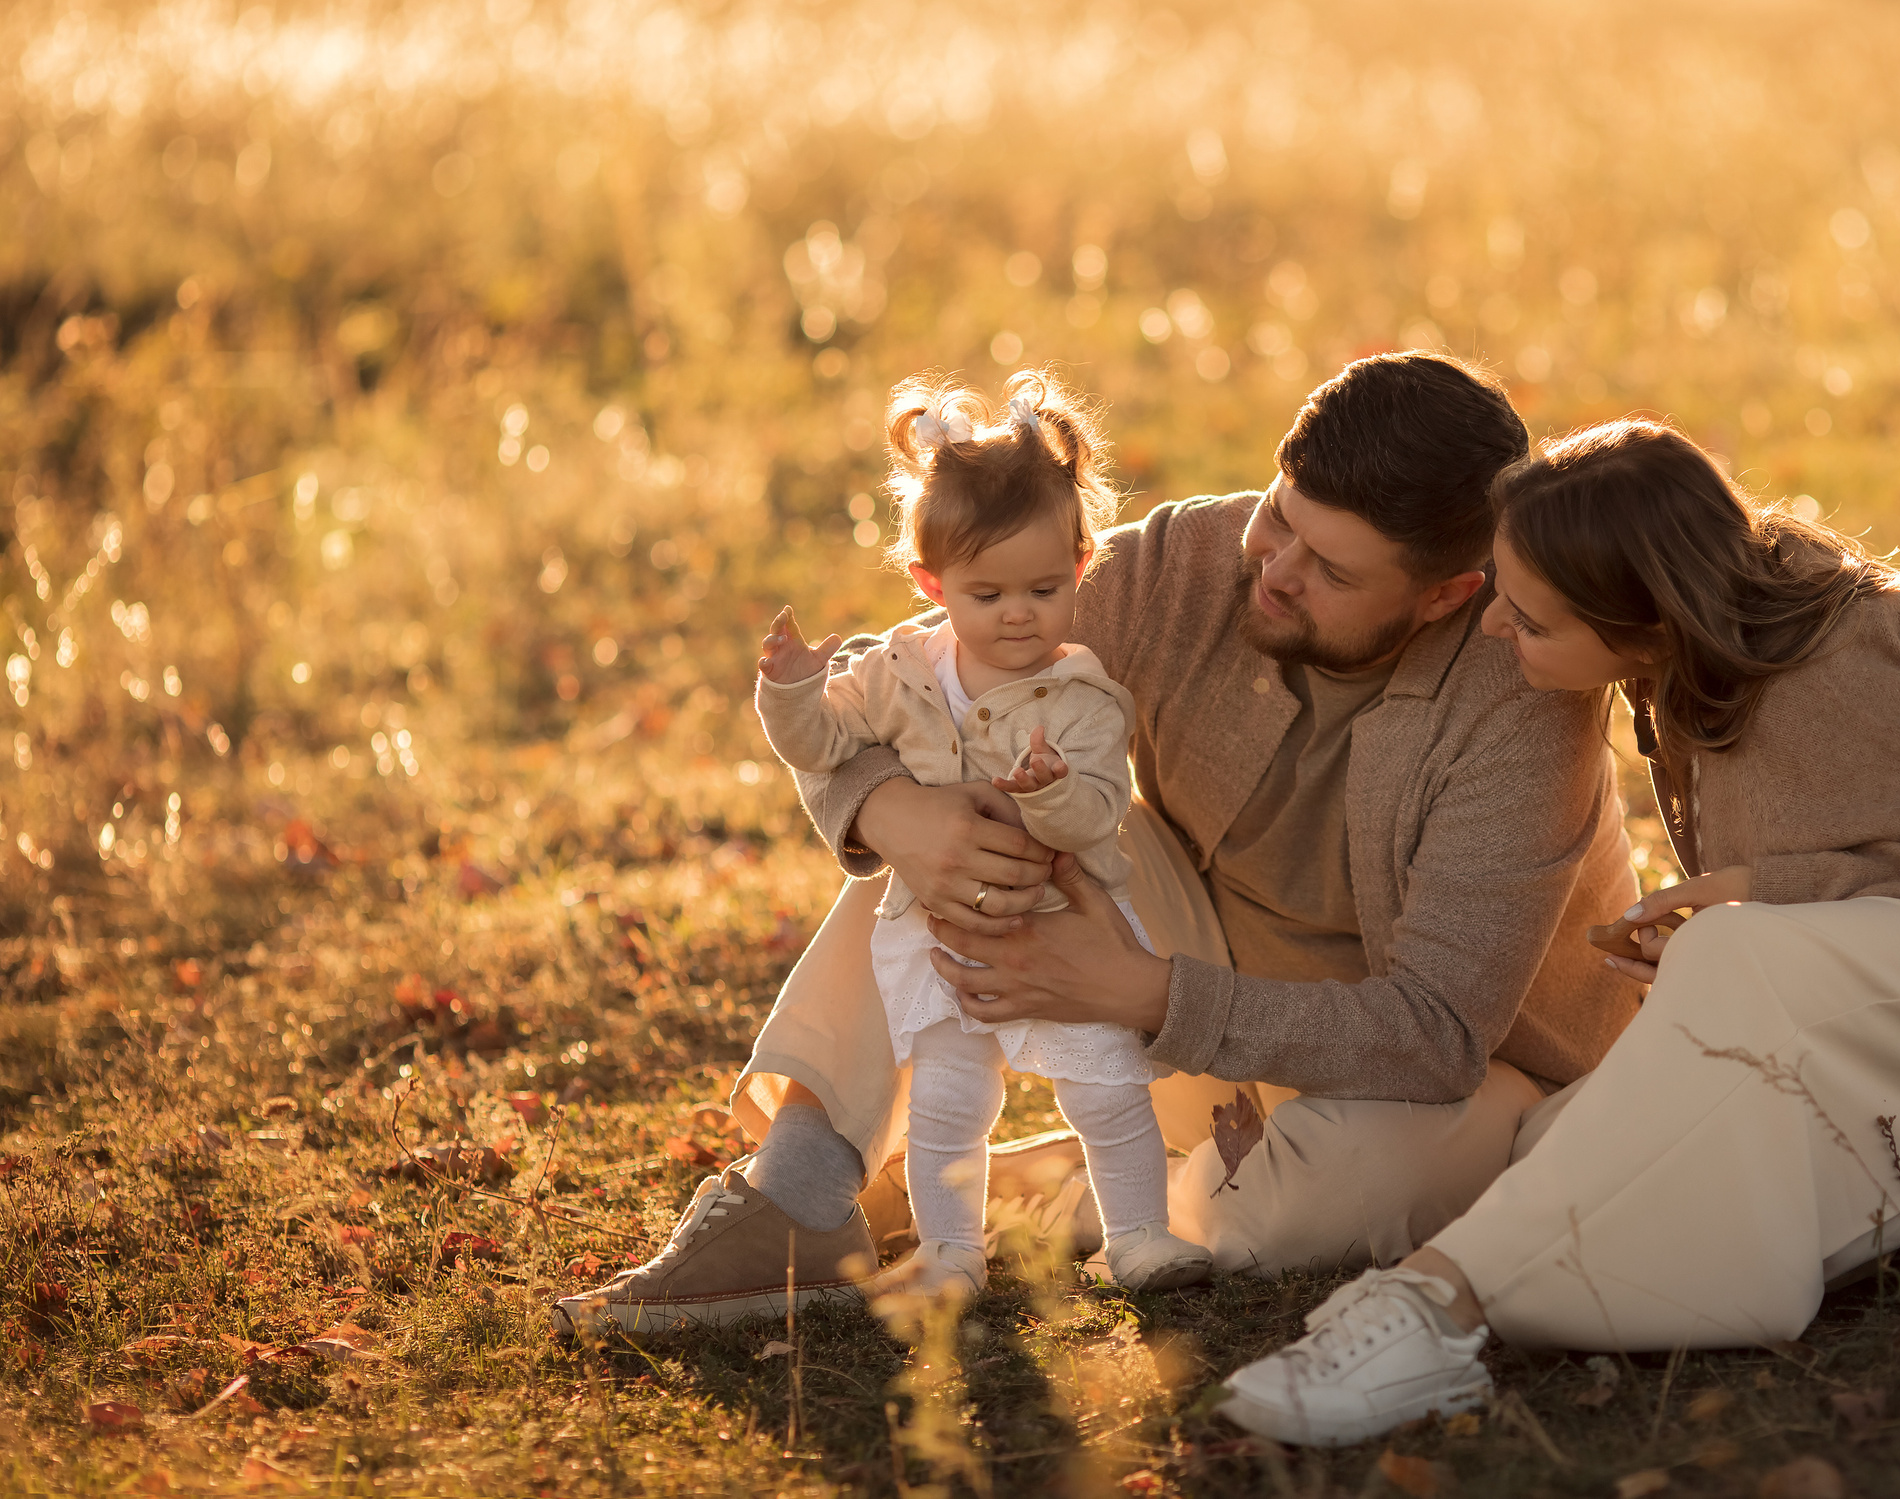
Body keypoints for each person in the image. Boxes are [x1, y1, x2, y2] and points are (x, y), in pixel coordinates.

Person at [1215, 415, 1900, 1446]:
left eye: (1530, 623)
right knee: (1547, 1142)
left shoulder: (1830, 672)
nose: (1493, 628)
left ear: (1643, 625)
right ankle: (1702, 1282)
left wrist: (1771, 892)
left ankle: (1430, 1310)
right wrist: (1764, 912)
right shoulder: (1699, 658)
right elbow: (1868, 889)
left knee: (1733, 956)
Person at [551, 354, 1641, 1336]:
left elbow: (1438, 1031)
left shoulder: (1518, 698)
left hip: (1459, 1070)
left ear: (1449, 592)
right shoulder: (1194, 560)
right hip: (1206, 975)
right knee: (967, 823)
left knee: (1328, 1205)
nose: (1274, 568)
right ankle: (799, 1196)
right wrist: (894, 812)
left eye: (1331, 571)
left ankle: (1054, 1193)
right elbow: (905, 672)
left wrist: (1141, 993)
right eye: (1280, 518)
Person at [752, 372, 1212, 1300]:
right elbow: (825, 744)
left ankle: (1139, 1237)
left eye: (1044, 588)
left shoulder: (1080, 696)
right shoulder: (901, 668)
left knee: (1108, 1091)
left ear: (1082, 565)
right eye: (987, 591)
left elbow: (1096, 812)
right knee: (952, 1103)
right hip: (946, 931)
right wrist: (791, 690)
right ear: (931, 583)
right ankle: (951, 1253)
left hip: (1066, 926)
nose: (1017, 614)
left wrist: (1051, 795)